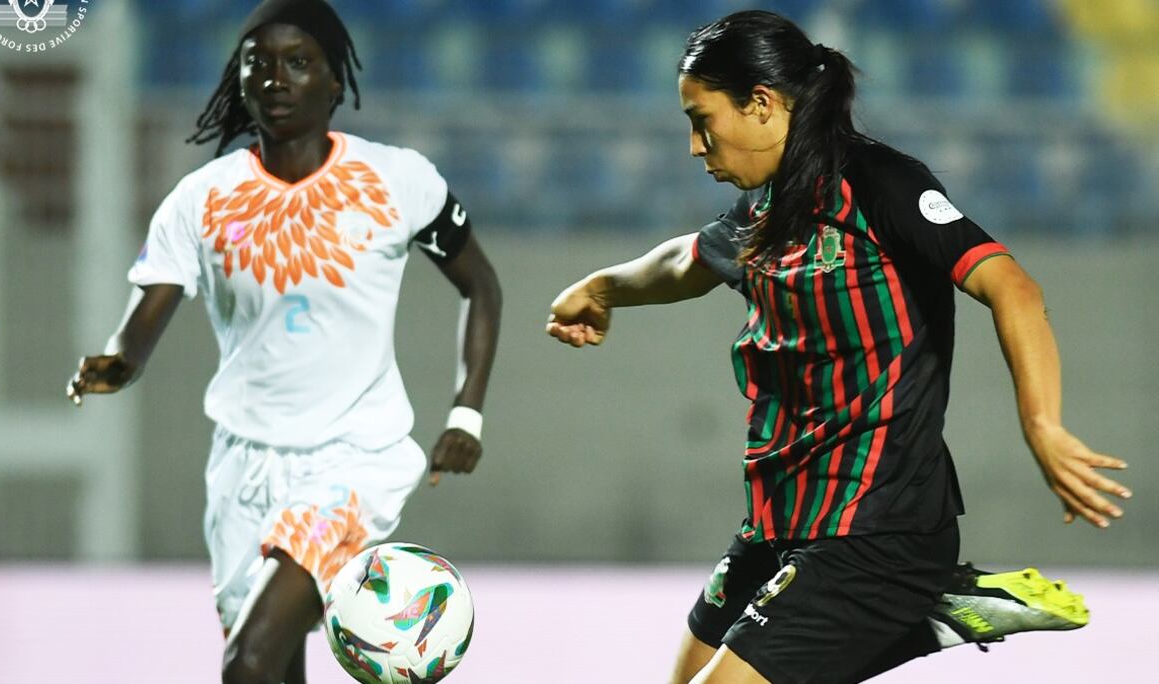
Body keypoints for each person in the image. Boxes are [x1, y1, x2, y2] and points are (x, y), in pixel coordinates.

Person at [547, 10, 1129, 684]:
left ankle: (918, 609)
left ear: (761, 104)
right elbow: (686, 262)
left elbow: (1013, 287)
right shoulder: (765, 208)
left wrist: (1043, 425)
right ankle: (932, 617)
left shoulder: (882, 184)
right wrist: (601, 289)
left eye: (702, 121)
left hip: (878, 527)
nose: (695, 146)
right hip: (782, 515)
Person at [65, 1, 502, 682]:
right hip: (241, 470)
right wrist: (118, 363)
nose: (275, 78)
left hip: (351, 461)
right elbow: (143, 322)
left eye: (298, 62)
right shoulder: (200, 200)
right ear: (238, 79)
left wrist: (465, 414)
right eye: (257, 63)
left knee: (247, 662)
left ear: (335, 81)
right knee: (273, 672)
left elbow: (481, 286)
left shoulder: (397, 181)